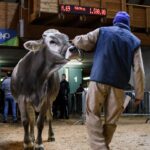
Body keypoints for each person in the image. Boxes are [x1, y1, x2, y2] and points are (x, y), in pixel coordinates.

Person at [72, 11, 145, 150]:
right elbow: (139, 69)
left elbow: (84, 42)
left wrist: (75, 40)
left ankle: (100, 148)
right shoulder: (135, 41)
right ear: (128, 24)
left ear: (115, 21)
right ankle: (103, 146)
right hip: (118, 86)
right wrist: (139, 94)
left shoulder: (102, 31)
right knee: (111, 121)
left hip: (98, 79)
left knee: (92, 114)